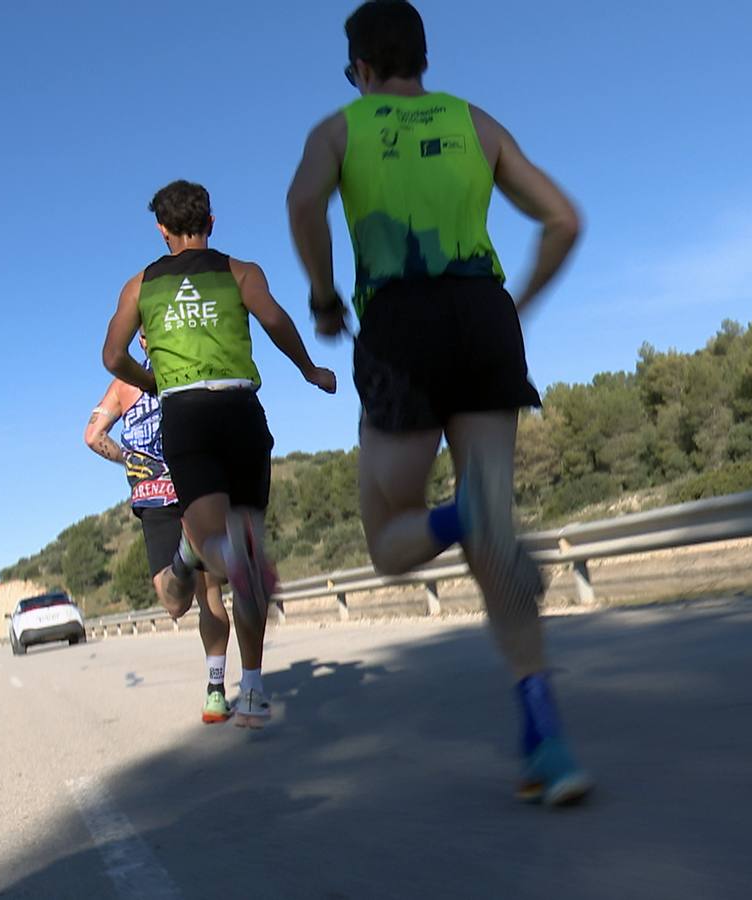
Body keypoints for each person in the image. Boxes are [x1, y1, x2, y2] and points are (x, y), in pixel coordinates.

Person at [286, 0, 590, 804]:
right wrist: (517, 303)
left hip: (399, 321)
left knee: (390, 541)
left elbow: (303, 204)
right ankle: (548, 742)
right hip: (484, 316)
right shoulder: (475, 123)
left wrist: (323, 296)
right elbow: (563, 219)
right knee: (495, 544)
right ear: (423, 59)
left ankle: (465, 517)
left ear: (359, 68)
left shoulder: (340, 129)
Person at [102, 179, 337, 728]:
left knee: (220, 544)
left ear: (162, 231)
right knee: (247, 550)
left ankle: (194, 553)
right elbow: (275, 320)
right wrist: (309, 369)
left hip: (187, 415)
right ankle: (251, 690)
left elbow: (112, 355)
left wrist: (152, 381)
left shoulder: (140, 286)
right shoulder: (241, 272)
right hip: (242, 411)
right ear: (211, 222)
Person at [86, 336, 238, 723]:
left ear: (141, 339)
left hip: (155, 493)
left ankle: (184, 558)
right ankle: (216, 691)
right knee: (208, 597)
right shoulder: (193, 367)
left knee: (176, 604)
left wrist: (130, 460)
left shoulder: (123, 385)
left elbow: (92, 435)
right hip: (196, 483)